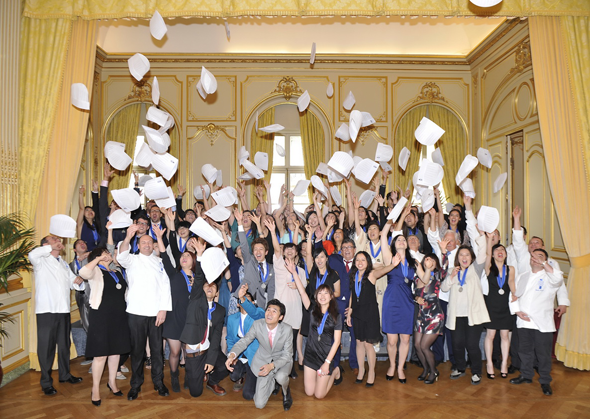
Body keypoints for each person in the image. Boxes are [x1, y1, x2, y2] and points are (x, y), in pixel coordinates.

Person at [117, 224, 172, 400]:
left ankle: (158, 382)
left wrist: (163, 309)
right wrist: (127, 237)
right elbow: (121, 255)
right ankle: (135, 385)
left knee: (157, 351)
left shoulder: (159, 262)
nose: (147, 245)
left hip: (156, 313)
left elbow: (165, 287)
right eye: (143, 242)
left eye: (150, 242)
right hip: (136, 312)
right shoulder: (131, 260)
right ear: (138, 245)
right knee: (137, 351)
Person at [29, 235, 85, 395]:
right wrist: (51, 246)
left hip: (63, 310)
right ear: (45, 244)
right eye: (54, 240)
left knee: (64, 344)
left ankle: (65, 374)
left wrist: (78, 281)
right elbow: (32, 255)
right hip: (46, 311)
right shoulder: (40, 260)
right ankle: (46, 382)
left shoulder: (62, 263)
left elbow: (72, 281)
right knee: (46, 347)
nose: (59, 241)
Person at [78, 247, 131, 406]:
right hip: (101, 316)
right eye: (103, 254)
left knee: (115, 352)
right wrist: (96, 259)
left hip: (119, 316)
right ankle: (95, 389)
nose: (107, 255)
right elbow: (83, 273)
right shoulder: (95, 271)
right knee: (100, 355)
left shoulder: (117, 273)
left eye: (108, 253)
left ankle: (112, 382)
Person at [509, 249, 563, 396]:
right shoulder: (522, 276)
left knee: (543, 354)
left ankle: (545, 380)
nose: (535, 259)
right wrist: (516, 311)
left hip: (542, 323)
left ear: (546, 261)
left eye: (540, 257)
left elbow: (558, 278)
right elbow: (513, 295)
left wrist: (544, 263)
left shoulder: (549, 277)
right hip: (524, 321)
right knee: (524, 351)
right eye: (533, 257)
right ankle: (526, 375)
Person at [179, 240, 228, 398]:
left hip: (208, 349)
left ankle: (211, 381)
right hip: (195, 352)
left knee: (227, 365)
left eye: (213, 287)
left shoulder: (220, 310)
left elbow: (216, 337)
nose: (210, 287)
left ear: (216, 293)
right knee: (195, 392)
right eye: (207, 285)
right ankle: (194, 373)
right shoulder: (196, 300)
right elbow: (199, 277)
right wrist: (199, 255)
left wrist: (212, 360)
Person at [225, 299, 294, 410]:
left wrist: (272, 366)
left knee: (281, 377)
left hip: (282, 361)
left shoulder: (287, 330)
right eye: (268, 310)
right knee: (259, 404)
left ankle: (286, 392)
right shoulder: (257, 325)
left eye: (274, 311)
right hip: (263, 362)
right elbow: (245, 341)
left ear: (281, 317)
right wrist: (232, 355)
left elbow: (287, 355)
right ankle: (272, 380)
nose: (269, 313)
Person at [346, 251, 399, 387]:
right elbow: (352, 294)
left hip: (369, 314)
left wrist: (393, 264)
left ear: (368, 262)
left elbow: (383, 271)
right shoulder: (353, 275)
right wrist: (350, 311)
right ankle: (361, 370)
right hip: (357, 313)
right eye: (357, 260)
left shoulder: (371, 274)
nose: (359, 262)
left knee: (368, 345)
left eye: (363, 260)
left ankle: (371, 373)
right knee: (358, 343)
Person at [442, 236, 490, 385]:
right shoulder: (452, 270)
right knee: (457, 344)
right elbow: (444, 288)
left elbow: (483, 252)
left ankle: (476, 372)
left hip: (472, 315)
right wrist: (451, 277)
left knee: (471, 345)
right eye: (461, 255)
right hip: (456, 315)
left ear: (471, 258)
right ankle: (460, 368)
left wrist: (483, 236)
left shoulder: (475, 269)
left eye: (467, 255)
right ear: (457, 258)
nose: (464, 257)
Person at [264, 217, 304, 379]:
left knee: (292, 342)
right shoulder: (279, 264)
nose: (289, 251)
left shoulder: (300, 271)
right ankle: (277, 368)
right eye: (286, 249)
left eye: (292, 249)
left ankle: (291, 368)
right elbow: (276, 248)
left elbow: (304, 289)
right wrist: (273, 231)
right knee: (279, 343)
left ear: (296, 252)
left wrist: (298, 284)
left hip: (295, 311)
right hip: (281, 311)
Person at [380, 221, 418, 383]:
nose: (402, 241)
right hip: (391, 300)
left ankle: (401, 367)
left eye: (404, 239)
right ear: (394, 244)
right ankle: (391, 365)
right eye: (398, 239)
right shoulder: (390, 257)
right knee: (392, 340)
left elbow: (421, 281)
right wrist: (389, 221)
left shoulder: (414, 262)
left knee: (405, 339)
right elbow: (382, 237)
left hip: (407, 302)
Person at [483, 235, 516, 379]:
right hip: (491, 305)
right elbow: (488, 253)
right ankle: (489, 363)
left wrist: (516, 294)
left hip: (505, 307)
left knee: (504, 336)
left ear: (506, 254)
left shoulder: (511, 269)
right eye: (497, 250)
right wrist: (490, 240)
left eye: (502, 249)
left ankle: (504, 364)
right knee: (490, 335)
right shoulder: (489, 267)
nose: (500, 251)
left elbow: (512, 285)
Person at [226, 284, 265, 396]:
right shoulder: (232, 318)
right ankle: (241, 376)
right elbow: (229, 339)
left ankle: (255, 378)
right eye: (242, 299)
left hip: (254, 356)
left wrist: (243, 298)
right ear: (238, 304)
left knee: (248, 395)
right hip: (239, 354)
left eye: (248, 300)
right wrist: (232, 355)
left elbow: (254, 312)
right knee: (234, 375)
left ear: (253, 303)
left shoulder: (259, 315)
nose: (245, 301)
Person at [233, 209, 275, 308]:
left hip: (262, 305)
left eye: (261, 249)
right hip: (244, 300)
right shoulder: (249, 260)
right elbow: (243, 245)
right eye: (255, 249)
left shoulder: (271, 268)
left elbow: (271, 289)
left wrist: (271, 306)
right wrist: (239, 223)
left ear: (266, 252)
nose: (258, 252)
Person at [414, 254, 445, 384]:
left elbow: (445, 266)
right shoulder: (416, 278)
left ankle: (434, 371)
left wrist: (443, 252)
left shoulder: (438, 276)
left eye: (433, 260)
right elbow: (414, 294)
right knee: (417, 345)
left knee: (424, 346)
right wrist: (416, 299)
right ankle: (426, 369)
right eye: (427, 259)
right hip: (421, 315)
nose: (430, 262)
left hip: (435, 316)